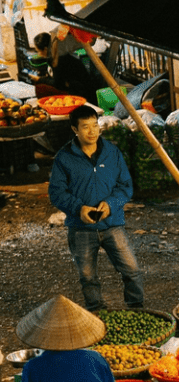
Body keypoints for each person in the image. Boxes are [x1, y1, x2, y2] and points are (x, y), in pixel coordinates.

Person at [48, 104, 145, 312]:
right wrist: (79, 209)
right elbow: (56, 193)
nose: (92, 131)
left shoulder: (112, 152)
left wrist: (111, 204)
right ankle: (97, 313)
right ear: (75, 129)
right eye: (85, 127)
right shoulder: (64, 158)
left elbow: (125, 186)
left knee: (132, 270)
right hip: (81, 228)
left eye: (95, 125)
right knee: (88, 276)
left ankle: (137, 309)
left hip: (112, 224)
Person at [30, 32, 99, 105]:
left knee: (41, 88)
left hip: (81, 93)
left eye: (38, 51)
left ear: (45, 49)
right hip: (81, 89)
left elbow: (58, 84)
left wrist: (39, 79)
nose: (38, 54)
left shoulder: (57, 58)